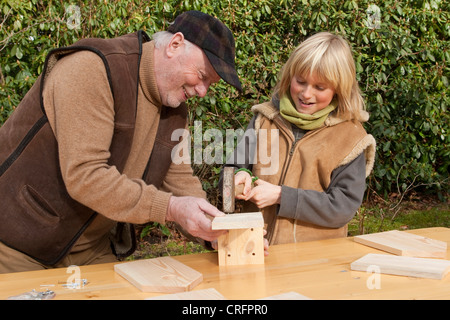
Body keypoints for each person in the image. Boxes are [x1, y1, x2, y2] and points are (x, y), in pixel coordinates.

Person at [0, 11, 242, 273]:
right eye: (202, 75)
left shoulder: (175, 111)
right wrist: (169, 207)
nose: (203, 91)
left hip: (90, 250)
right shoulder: (92, 69)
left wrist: (216, 231)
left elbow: (182, 184)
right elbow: (86, 176)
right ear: (174, 45)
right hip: (16, 242)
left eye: (210, 85)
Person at [223, 32, 376, 245]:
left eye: (319, 87)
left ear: (339, 89)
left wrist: (281, 196)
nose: (306, 93)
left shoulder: (351, 138)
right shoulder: (263, 120)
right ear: (289, 76)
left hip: (313, 262)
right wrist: (236, 180)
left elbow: (342, 208)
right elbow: (229, 175)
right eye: (300, 81)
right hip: (254, 249)